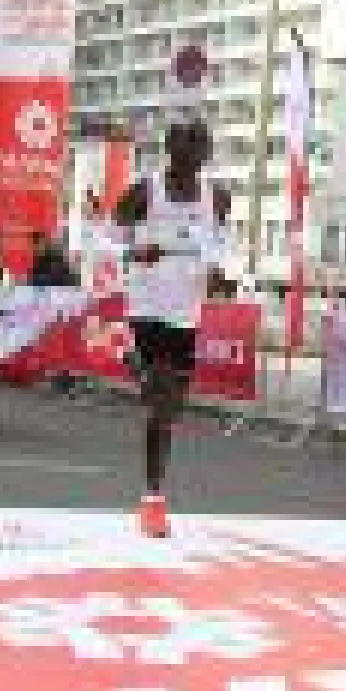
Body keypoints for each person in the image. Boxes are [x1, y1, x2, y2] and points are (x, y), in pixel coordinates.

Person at [115, 118, 231, 539]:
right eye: (187, 149)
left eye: (201, 150)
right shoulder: (145, 191)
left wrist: (218, 271)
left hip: (185, 311)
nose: (194, 158)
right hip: (146, 305)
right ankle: (154, 501)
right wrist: (132, 249)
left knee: (169, 408)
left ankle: (136, 366)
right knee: (160, 404)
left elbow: (218, 244)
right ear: (171, 150)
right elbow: (109, 235)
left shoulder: (217, 197)